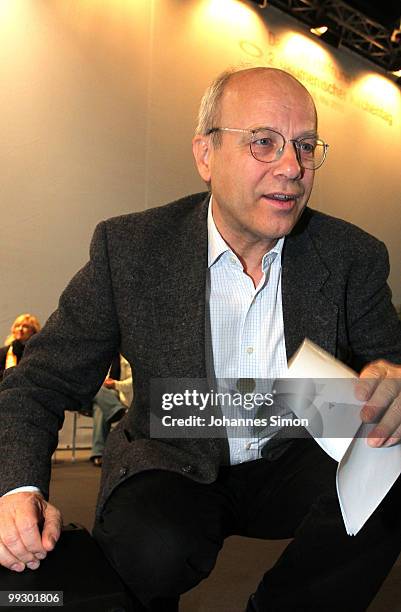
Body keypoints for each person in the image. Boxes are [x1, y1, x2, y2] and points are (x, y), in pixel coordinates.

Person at [0, 67, 401, 611]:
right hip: (174, 457)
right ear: (205, 156)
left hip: (294, 457)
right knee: (151, 546)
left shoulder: (351, 255)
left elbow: (392, 362)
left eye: (306, 146)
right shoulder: (131, 249)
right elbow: (37, 383)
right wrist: (18, 491)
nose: (292, 167)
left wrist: (390, 380)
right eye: (264, 142)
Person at [90, 354, 133, 467]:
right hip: (104, 396)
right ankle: (119, 411)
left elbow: (133, 382)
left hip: (121, 396)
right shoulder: (104, 357)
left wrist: (115, 384)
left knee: (99, 408)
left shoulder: (129, 358)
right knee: (98, 390)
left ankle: (98, 453)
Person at [0, 313, 41, 381]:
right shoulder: (2, 353)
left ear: (34, 331)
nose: (20, 329)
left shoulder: (37, 352)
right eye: (17, 326)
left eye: (25, 326)